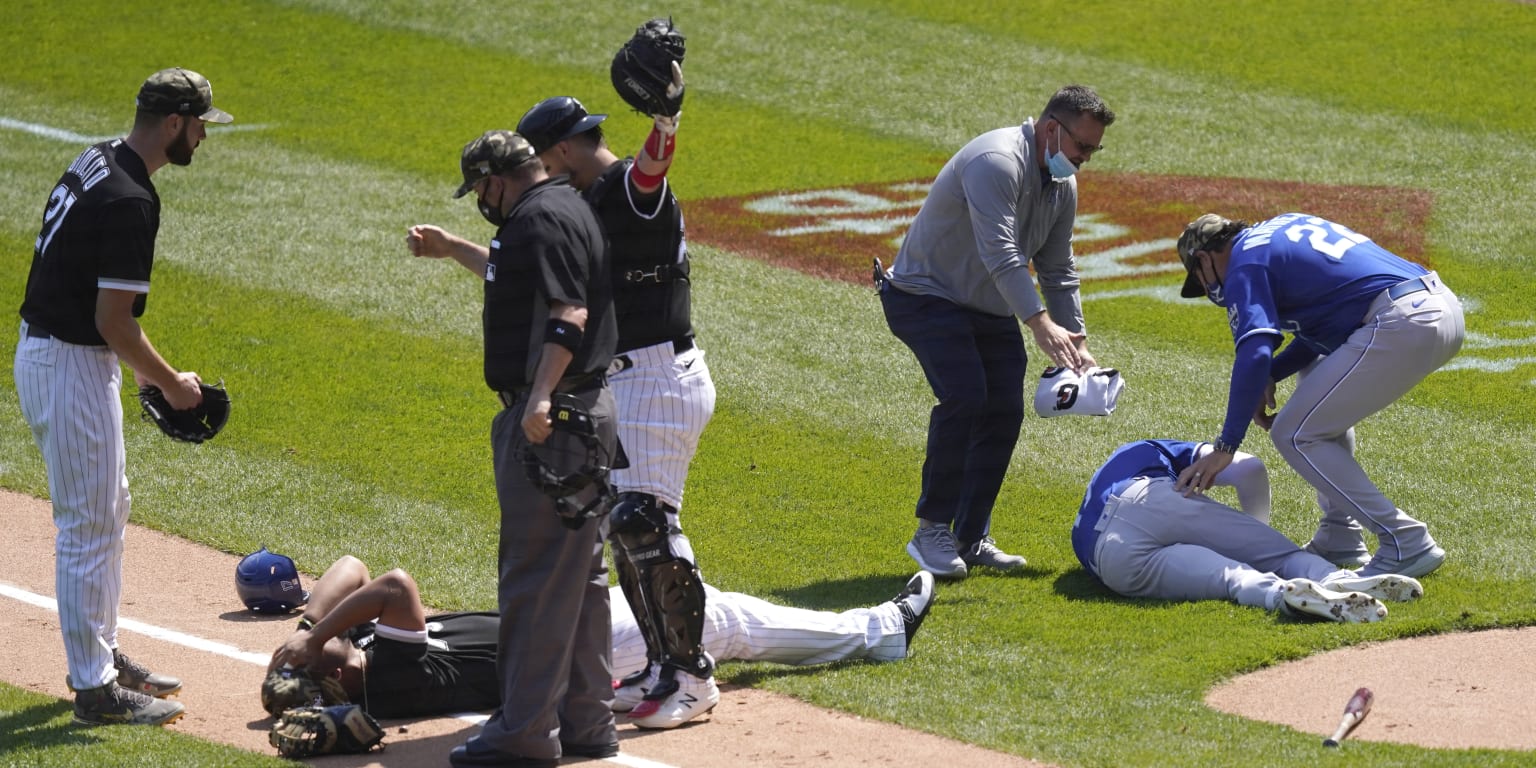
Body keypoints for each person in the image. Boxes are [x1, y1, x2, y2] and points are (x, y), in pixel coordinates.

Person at [14, 67, 233, 727]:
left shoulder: (99, 158)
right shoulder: (131, 200)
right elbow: (114, 320)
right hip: (70, 361)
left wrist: (140, 370)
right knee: (86, 525)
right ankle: (95, 692)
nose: (203, 135)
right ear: (173, 125)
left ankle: (102, 657)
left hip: (67, 351)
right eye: (199, 125)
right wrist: (171, 384)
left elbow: (94, 301)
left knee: (108, 509)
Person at [406, 130, 620, 767]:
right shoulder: (565, 205)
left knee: (533, 578)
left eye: (478, 188)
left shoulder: (538, 220)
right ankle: (587, 723)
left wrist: (539, 398)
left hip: (552, 421)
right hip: (584, 413)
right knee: (580, 578)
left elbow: (568, 313)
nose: (480, 199)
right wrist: (453, 250)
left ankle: (525, 735)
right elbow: (518, 277)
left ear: (495, 179)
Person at [515, 86, 719, 729]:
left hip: (659, 376)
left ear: (567, 148)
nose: (542, 178)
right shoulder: (584, 200)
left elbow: (654, 166)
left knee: (648, 523)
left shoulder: (628, 186)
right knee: (626, 529)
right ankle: (662, 665)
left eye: (545, 162)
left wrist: (666, 120)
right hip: (629, 379)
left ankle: (692, 676)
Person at [878, 84, 1116, 580]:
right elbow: (1002, 254)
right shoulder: (995, 160)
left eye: (1093, 151)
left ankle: (970, 535)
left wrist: (1077, 341)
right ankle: (931, 532)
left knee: (1003, 410)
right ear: (1052, 129)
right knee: (966, 396)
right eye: (1082, 148)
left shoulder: (1062, 183)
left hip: (985, 306)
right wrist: (1039, 324)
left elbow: (1057, 267)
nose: (1086, 160)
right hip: (925, 297)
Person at [263, 557, 936, 720]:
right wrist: (313, 635)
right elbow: (391, 585)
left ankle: (876, 631)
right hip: (574, 655)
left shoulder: (363, 652)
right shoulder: (389, 681)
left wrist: (301, 636)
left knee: (691, 600)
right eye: (326, 648)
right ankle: (880, 632)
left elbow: (349, 566)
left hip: (561, 628)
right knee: (716, 621)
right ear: (339, 674)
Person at [1172, 213, 1465, 578]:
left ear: (1202, 259)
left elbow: (1254, 351)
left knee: (1296, 433)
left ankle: (1405, 541)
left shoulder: (1243, 260)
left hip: (1401, 320)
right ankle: (1339, 536)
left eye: (1200, 280)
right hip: (1435, 306)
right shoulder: (1278, 231)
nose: (1208, 290)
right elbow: (1320, 329)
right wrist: (1272, 375)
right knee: (1314, 394)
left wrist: (1225, 448)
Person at [1075, 440, 1425, 621]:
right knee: (1283, 556)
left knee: (1232, 578)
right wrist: (1257, 542)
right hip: (1147, 499)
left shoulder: (1104, 482)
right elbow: (1249, 469)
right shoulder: (1151, 449)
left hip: (1109, 560)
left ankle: (1282, 596)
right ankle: (1335, 578)